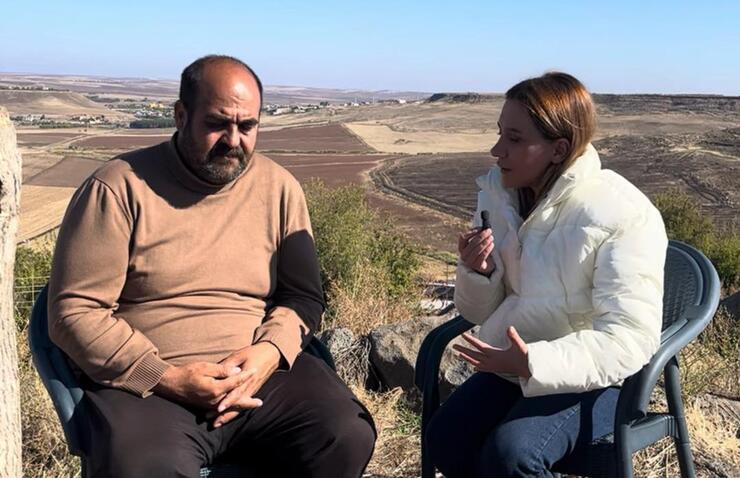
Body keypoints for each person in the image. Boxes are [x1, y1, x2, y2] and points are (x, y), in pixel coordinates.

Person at [48, 55, 375, 478]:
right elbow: (74, 313)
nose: (233, 140)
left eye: (248, 126)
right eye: (218, 123)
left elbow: (303, 296)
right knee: (142, 466)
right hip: (152, 388)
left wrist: (269, 353)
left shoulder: (278, 188)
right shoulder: (117, 188)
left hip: (262, 379)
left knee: (345, 433)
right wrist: (166, 377)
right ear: (181, 115)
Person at [426, 72, 668, 477]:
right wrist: (478, 272)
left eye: (515, 139)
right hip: (515, 364)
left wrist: (535, 362)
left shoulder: (621, 213)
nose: (496, 150)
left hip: (596, 379)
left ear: (558, 150)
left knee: (511, 455)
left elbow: (630, 337)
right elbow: (478, 310)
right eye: (500, 133)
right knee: (446, 439)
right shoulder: (500, 198)